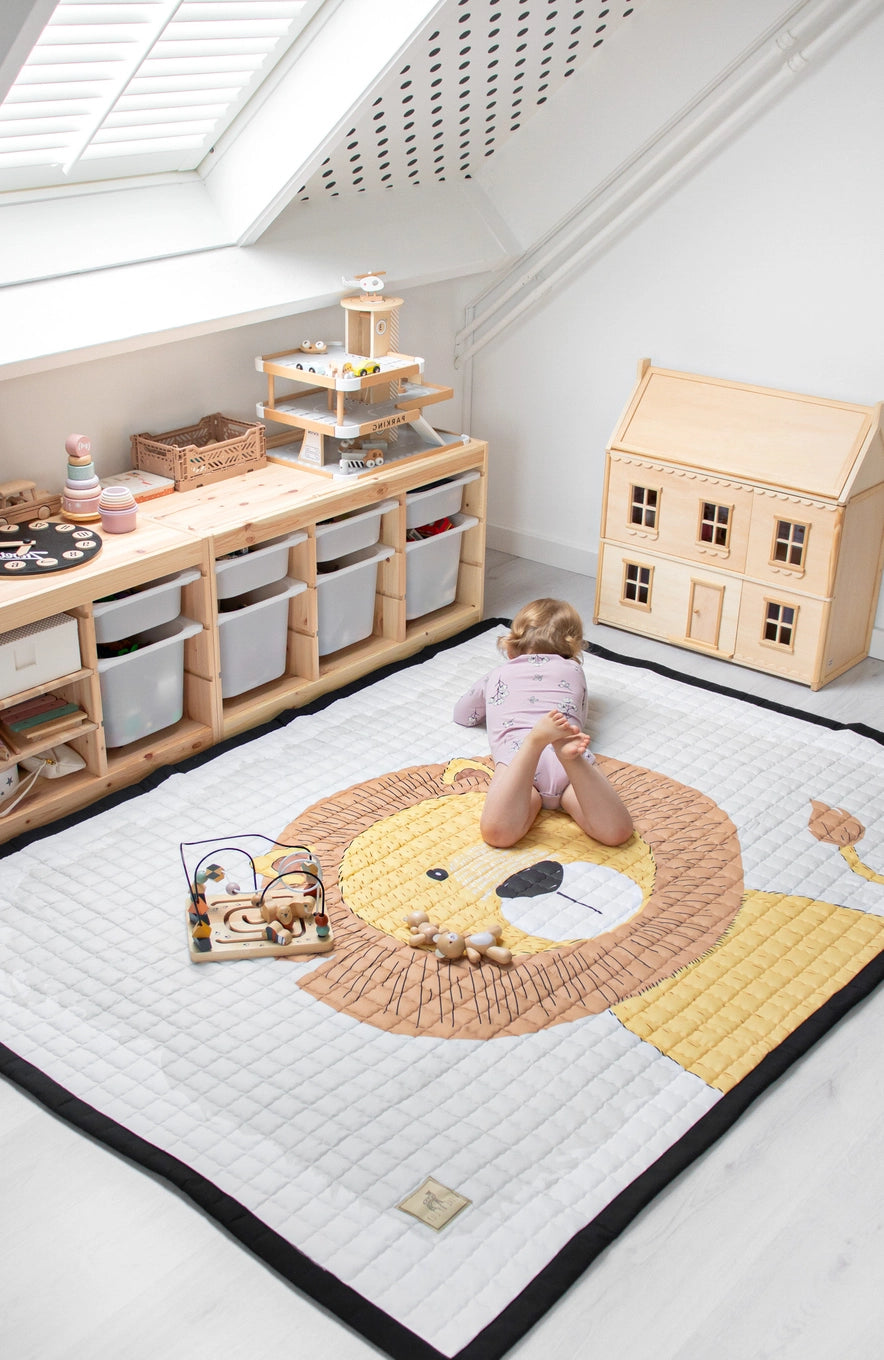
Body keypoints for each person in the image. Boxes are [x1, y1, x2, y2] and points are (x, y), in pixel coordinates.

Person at [453, 598, 634, 849]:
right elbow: (581, 713)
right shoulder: (574, 671)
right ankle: (571, 759)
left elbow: (463, 715)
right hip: (565, 752)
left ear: (510, 648)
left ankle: (534, 743)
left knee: (498, 834)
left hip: (520, 758)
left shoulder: (497, 674)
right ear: (573, 650)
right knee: (616, 832)